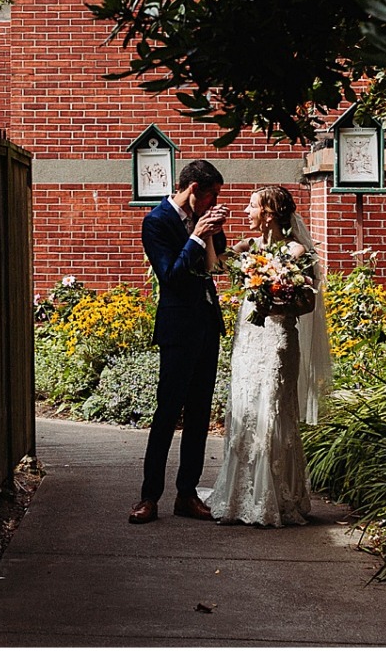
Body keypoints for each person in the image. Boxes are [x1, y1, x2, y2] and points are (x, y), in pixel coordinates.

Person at [209, 184, 333, 527]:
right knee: (246, 408)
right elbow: (216, 267)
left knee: (275, 411)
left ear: (268, 212)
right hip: (248, 339)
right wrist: (209, 234)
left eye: (251, 206)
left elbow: (308, 301)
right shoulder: (248, 246)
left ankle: (277, 497)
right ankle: (239, 496)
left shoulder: (295, 251)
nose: (246, 212)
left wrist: (276, 300)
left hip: (278, 339)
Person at [129, 158, 231, 524]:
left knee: (200, 414)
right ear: (193, 191)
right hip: (177, 329)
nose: (213, 201)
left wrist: (214, 231)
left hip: (206, 325)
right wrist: (195, 235)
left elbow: (215, 267)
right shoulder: (156, 222)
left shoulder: (203, 218)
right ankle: (148, 497)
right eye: (211, 196)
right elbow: (170, 276)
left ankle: (186, 494)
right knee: (167, 413)